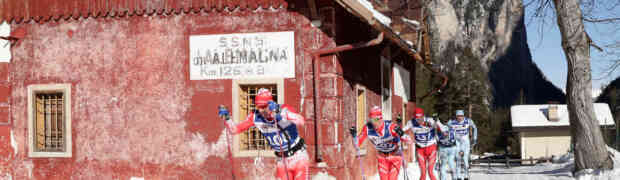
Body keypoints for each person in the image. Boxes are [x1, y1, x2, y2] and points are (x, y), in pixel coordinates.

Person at [219, 88, 308, 180]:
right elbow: (234, 130)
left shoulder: (284, 109)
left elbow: (301, 121)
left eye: (265, 106)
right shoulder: (255, 117)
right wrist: (227, 119)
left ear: (270, 103)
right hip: (282, 160)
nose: (262, 110)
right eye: (259, 107)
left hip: (298, 157)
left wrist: (279, 113)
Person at [349, 106, 405, 180]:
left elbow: (408, 139)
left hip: (395, 156)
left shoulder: (390, 126)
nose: (374, 123)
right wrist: (354, 136)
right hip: (382, 158)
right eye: (371, 120)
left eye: (376, 119)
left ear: (381, 118)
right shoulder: (367, 128)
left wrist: (402, 134)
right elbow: (357, 145)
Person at [403, 107, 443, 180]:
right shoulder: (411, 122)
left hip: (431, 148)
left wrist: (437, 121)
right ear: (414, 117)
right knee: (423, 173)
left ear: (423, 116)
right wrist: (398, 127)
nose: (419, 121)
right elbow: (401, 131)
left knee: (430, 171)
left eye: (421, 118)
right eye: (417, 119)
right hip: (420, 149)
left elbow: (443, 129)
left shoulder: (430, 120)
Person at [447, 110, 477, 180]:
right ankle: (458, 177)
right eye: (458, 116)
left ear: (463, 116)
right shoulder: (452, 122)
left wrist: (475, 138)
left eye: (461, 116)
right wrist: (450, 139)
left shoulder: (468, 121)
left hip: (465, 142)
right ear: (456, 116)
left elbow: (475, 128)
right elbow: (445, 129)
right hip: (457, 143)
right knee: (458, 160)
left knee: (465, 159)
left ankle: (466, 176)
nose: (460, 118)